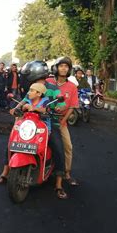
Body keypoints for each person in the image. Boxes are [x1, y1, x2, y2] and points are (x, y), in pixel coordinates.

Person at [0, 61, 68, 199]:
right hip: (30, 121)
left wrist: (58, 108)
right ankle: (4, 173)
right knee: (13, 141)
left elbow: (62, 105)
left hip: (49, 122)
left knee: (58, 147)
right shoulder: (32, 88)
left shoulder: (52, 88)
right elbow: (24, 101)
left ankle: (59, 184)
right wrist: (15, 109)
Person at [47, 57, 79, 186]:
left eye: (66, 66)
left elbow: (72, 107)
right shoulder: (48, 81)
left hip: (60, 121)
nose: (64, 68)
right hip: (44, 119)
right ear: (56, 68)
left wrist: (63, 121)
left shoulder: (72, 87)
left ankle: (66, 173)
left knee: (67, 147)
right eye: (61, 66)